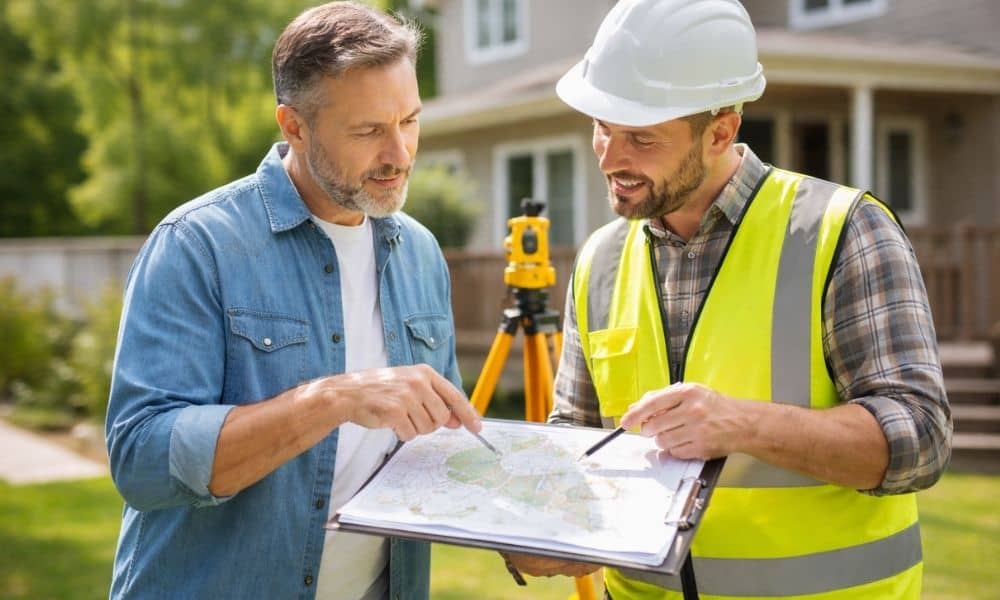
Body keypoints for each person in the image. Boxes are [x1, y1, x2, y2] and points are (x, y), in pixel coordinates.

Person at [505, 0, 952, 598]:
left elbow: (919, 442)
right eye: (602, 128)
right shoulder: (598, 260)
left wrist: (741, 424)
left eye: (640, 136)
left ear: (721, 130)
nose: (611, 158)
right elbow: (579, 436)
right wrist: (551, 525)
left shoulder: (844, 231)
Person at [104, 3, 482, 599]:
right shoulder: (197, 245)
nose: (401, 153)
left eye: (409, 120)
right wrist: (333, 397)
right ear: (295, 126)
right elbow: (142, 459)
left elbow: (437, 446)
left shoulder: (420, 252)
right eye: (368, 131)